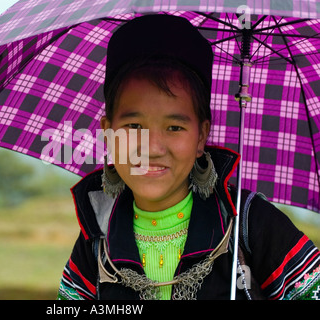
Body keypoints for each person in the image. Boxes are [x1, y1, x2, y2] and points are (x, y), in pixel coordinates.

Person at [57, 14, 320, 300]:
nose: (153, 147)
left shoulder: (249, 224)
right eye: (134, 126)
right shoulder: (97, 237)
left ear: (201, 136)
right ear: (107, 132)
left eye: (174, 127)